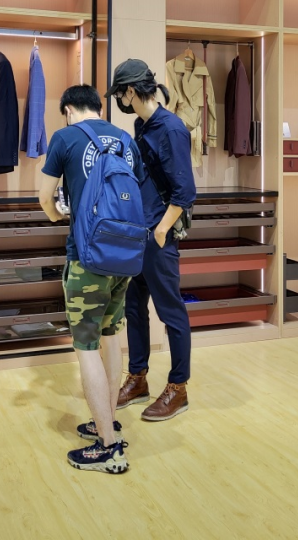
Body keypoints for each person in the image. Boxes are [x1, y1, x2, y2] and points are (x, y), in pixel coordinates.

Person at [39, 84, 144, 474]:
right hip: (124, 255)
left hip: (86, 257)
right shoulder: (126, 140)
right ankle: (108, 421)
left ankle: (109, 448)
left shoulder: (65, 138)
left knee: (86, 347)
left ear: (68, 109)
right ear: (99, 108)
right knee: (112, 338)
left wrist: (58, 216)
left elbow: (45, 197)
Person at [108, 59, 196, 421]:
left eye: (120, 94)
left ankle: (178, 387)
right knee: (134, 308)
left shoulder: (171, 129)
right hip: (137, 233)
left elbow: (185, 191)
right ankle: (138, 378)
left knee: (170, 311)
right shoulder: (140, 125)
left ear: (131, 91)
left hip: (158, 237)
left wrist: (160, 231)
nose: (120, 101)